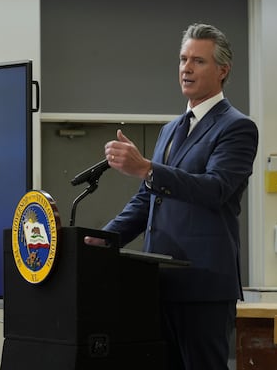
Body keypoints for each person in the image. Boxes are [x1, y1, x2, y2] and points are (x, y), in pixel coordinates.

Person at [85, 23, 258, 369]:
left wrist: (148, 169)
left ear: (223, 70)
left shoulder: (237, 127)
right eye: (182, 59)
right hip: (160, 283)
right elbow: (147, 199)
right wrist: (105, 239)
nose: (186, 68)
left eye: (198, 61)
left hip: (203, 285)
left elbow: (216, 188)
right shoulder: (170, 130)